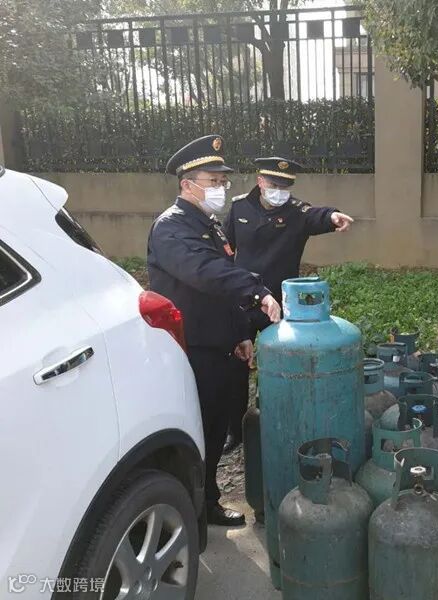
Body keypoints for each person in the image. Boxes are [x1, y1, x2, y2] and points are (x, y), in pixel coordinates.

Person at [147, 135, 282, 527]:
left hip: (219, 344)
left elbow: (223, 285)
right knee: (198, 430)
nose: (220, 188)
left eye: (223, 181)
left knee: (216, 427)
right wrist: (258, 292)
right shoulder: (171, 228)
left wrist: (240, 333)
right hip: (193, 347)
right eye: (212, 181)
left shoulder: (206, 224)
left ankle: (206, 500)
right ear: (187, 184)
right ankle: (194, 509)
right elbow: (207, 273)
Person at [221, 156, 354, 455]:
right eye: (274, 184)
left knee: (277, 365)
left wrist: (333, 216)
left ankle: (274, 422)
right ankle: (236, 430)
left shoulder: (296, 212)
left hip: (278, 304)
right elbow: (226, 249)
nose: (279, 191)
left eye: (285, 186)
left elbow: (315, 215)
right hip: (242, 300)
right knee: (236, 367)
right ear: (260, 181)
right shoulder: (240, 207)